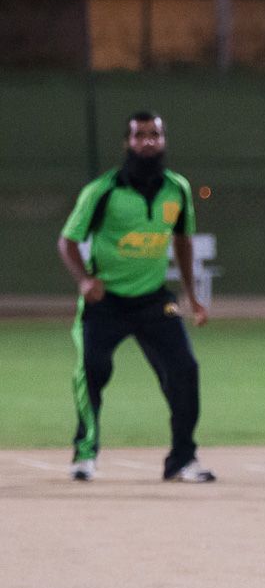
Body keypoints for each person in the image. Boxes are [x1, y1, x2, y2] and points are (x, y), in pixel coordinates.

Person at [57, 112, 215, 484]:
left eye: (154, 134)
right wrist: (84, 281)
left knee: (184, 370)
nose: (148, 141)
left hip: (153, 300)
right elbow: (67, 241)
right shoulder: (103, 190)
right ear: (127, 143)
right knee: (92, 371)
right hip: (105, 302)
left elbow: (182, 240)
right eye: (139, 135)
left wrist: (192, 296)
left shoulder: (177, 188)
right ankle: (85, 453)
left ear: (163, 140)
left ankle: (182, 460)